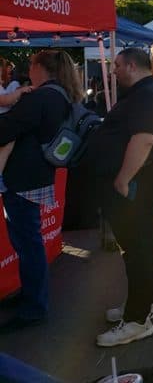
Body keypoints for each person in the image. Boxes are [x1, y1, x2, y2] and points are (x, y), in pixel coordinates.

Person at [86, 48, 153, 346]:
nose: (114, 71)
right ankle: (143, 303)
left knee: (137, 249)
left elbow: (144, 139)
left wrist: (122, 180)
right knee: (138, 247)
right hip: (137, 181)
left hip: (135, 184)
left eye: (117, 66)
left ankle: (137, 320)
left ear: (132, 66)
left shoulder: (146, 96)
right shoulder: (145, 93)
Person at [0, 51, 80, 333]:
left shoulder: (40, 98)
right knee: (29, 242)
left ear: (40, 68)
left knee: (28, 243)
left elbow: (4, 129)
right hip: (37, 176)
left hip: (23, 180)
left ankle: (34, 306)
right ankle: (31, 296)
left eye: (31, 66)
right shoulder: (60, 95)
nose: (27, 71)